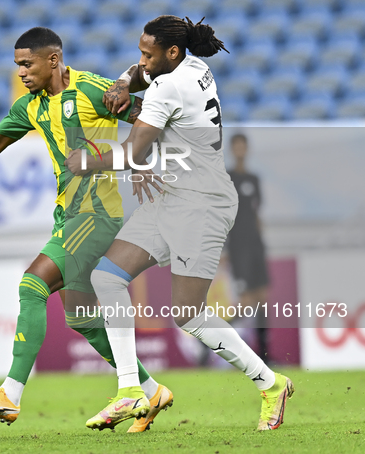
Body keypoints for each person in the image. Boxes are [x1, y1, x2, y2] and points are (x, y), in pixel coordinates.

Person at [0, 27, 172, 433]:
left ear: (53, 60)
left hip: (97, 213)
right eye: (17, 65)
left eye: (27, 64)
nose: (20, 72)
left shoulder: (93, 91)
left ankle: (10, 393)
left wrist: (135, 135)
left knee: (32, 285)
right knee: (81, 319)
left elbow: (151, 120)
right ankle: (149, 388)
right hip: (67, 213)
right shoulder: (31, 106)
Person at [66, 15, 293, 431]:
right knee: (107, 278)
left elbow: (134, 151)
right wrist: (122, 81)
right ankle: (131, 391)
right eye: (139, 52)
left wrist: (88, 162)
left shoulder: (170, 86)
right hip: (169, 196)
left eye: (148, 54)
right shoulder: (194, 67)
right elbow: (139, 79)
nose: (141, 61)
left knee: (188, 315)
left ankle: (271, 383)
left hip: (201, 204)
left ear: (171, 52)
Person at [226, 133, 270, 361]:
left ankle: (265, 354)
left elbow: (257, 214)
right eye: (237, 146)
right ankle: (208, 343)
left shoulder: (254, 179)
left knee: (262, 298)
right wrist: (223, 250)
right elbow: (222, 215)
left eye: (244, 146)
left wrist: (261, 243)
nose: (241, 150)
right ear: (233, 150)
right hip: (238, 247)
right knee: (245, 304)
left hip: (255, 247)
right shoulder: (227, 177)